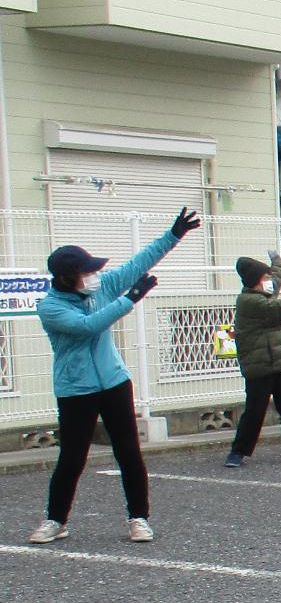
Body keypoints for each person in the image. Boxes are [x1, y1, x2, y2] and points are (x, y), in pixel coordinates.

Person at [28, 209, 201, 545]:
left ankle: (139, 518)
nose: (95, 274)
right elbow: (86, 327)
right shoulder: (50, 307)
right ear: (66, 278)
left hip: (114, 382)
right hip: (75, 388)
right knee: (72, 457)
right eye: (87, 271)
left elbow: (137, 264)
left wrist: (173, 235)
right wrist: (130, 299)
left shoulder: (102, 287)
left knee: (128, 451)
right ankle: (56, 520)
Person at [225, 251, 281, 468]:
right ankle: (237, 452)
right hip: (259, 365)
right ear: (256, 282)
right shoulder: (250, 302)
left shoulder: (263, 294)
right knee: (254, 412)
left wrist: (278, 263)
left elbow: (275, 279)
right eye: (264, 278)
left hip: (279, 363)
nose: (269, 282)